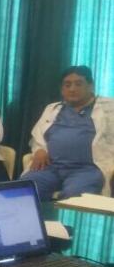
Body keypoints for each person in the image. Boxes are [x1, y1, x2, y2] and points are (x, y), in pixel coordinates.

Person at [22, 66, 114, 199]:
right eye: (67, 84)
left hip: (87, 169)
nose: (72, 89)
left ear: (91, 85)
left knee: (75, 199)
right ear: (62, 89)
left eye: (78, 84)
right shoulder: (52, 109)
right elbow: (38, 136)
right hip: (51, 167)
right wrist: (40, 150)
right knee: (25, 189)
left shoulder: (109, 108)